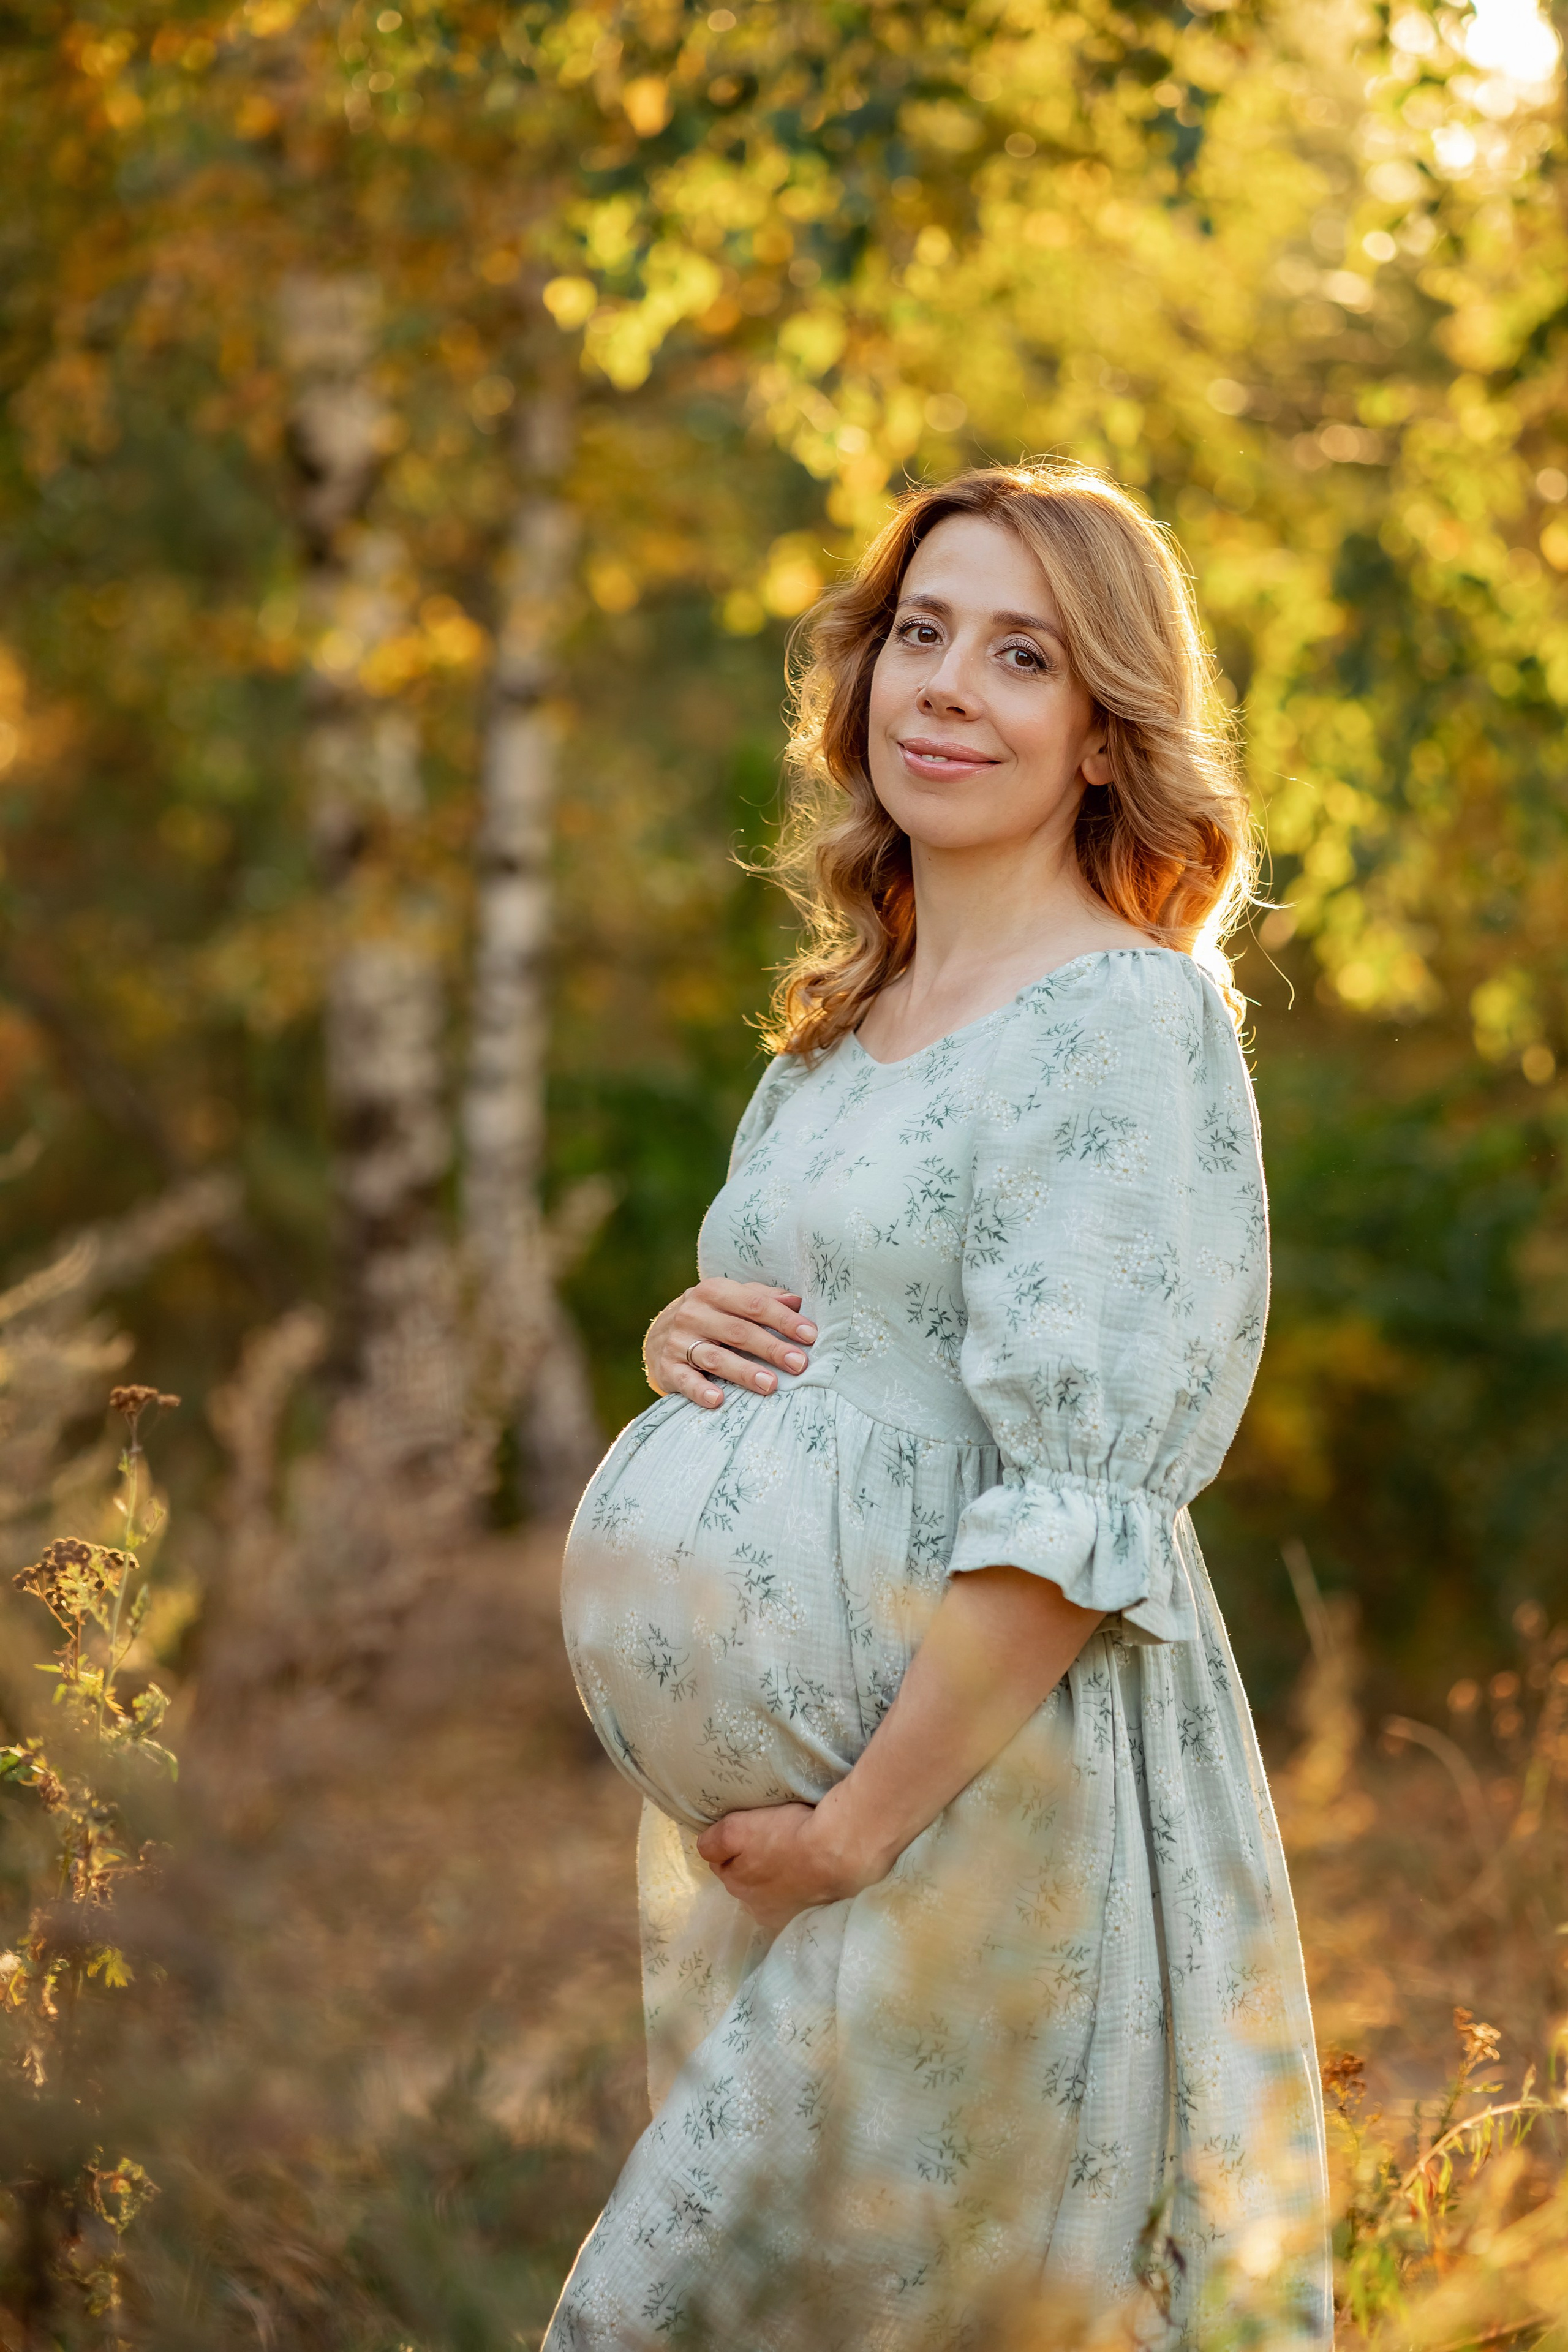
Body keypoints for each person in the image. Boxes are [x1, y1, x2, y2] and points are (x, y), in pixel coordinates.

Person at [548, 461, 1330, 2348]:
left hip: (969, 1814)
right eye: (920, 633)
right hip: (814, 1856)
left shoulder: (1127, 1021)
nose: (947, 689)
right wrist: (683, 1356)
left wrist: (859, 1834)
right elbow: (835, 1361)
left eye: (1022, 656)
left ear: (1099, 735)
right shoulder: (840, 1027)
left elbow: (1091, 1504)